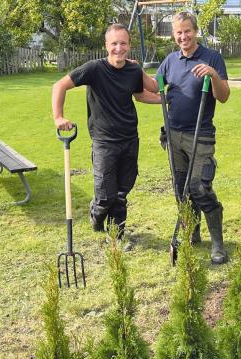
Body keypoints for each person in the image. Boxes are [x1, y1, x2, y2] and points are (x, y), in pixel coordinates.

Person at [52, 23, 158, 242]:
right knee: (105, 194)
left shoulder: (133, 70)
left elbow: (142, 94)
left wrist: (167, 101)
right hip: (104, 142)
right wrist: (58, 117)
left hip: (130, 138)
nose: (119, 48)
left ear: (129, 45)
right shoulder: (93, 69)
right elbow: (59, 86)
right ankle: (97, 215)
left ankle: (117, 233)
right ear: (106, 46)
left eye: (123, 43)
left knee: (122, 191)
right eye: (114, 43)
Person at [157, 11, 231, 264]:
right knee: (181, 189)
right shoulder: (170, 60)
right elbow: (155, 85)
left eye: (187, 31)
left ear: (196, 31)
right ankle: (193, 232)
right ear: (173, 34)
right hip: (173, 135)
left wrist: (212, 74)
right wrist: (131, 72)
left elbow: (223, 96)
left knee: (200, 187)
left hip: (200, 135)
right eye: (178, 32)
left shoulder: (212, 58)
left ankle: (218, 244)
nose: (183, 36)